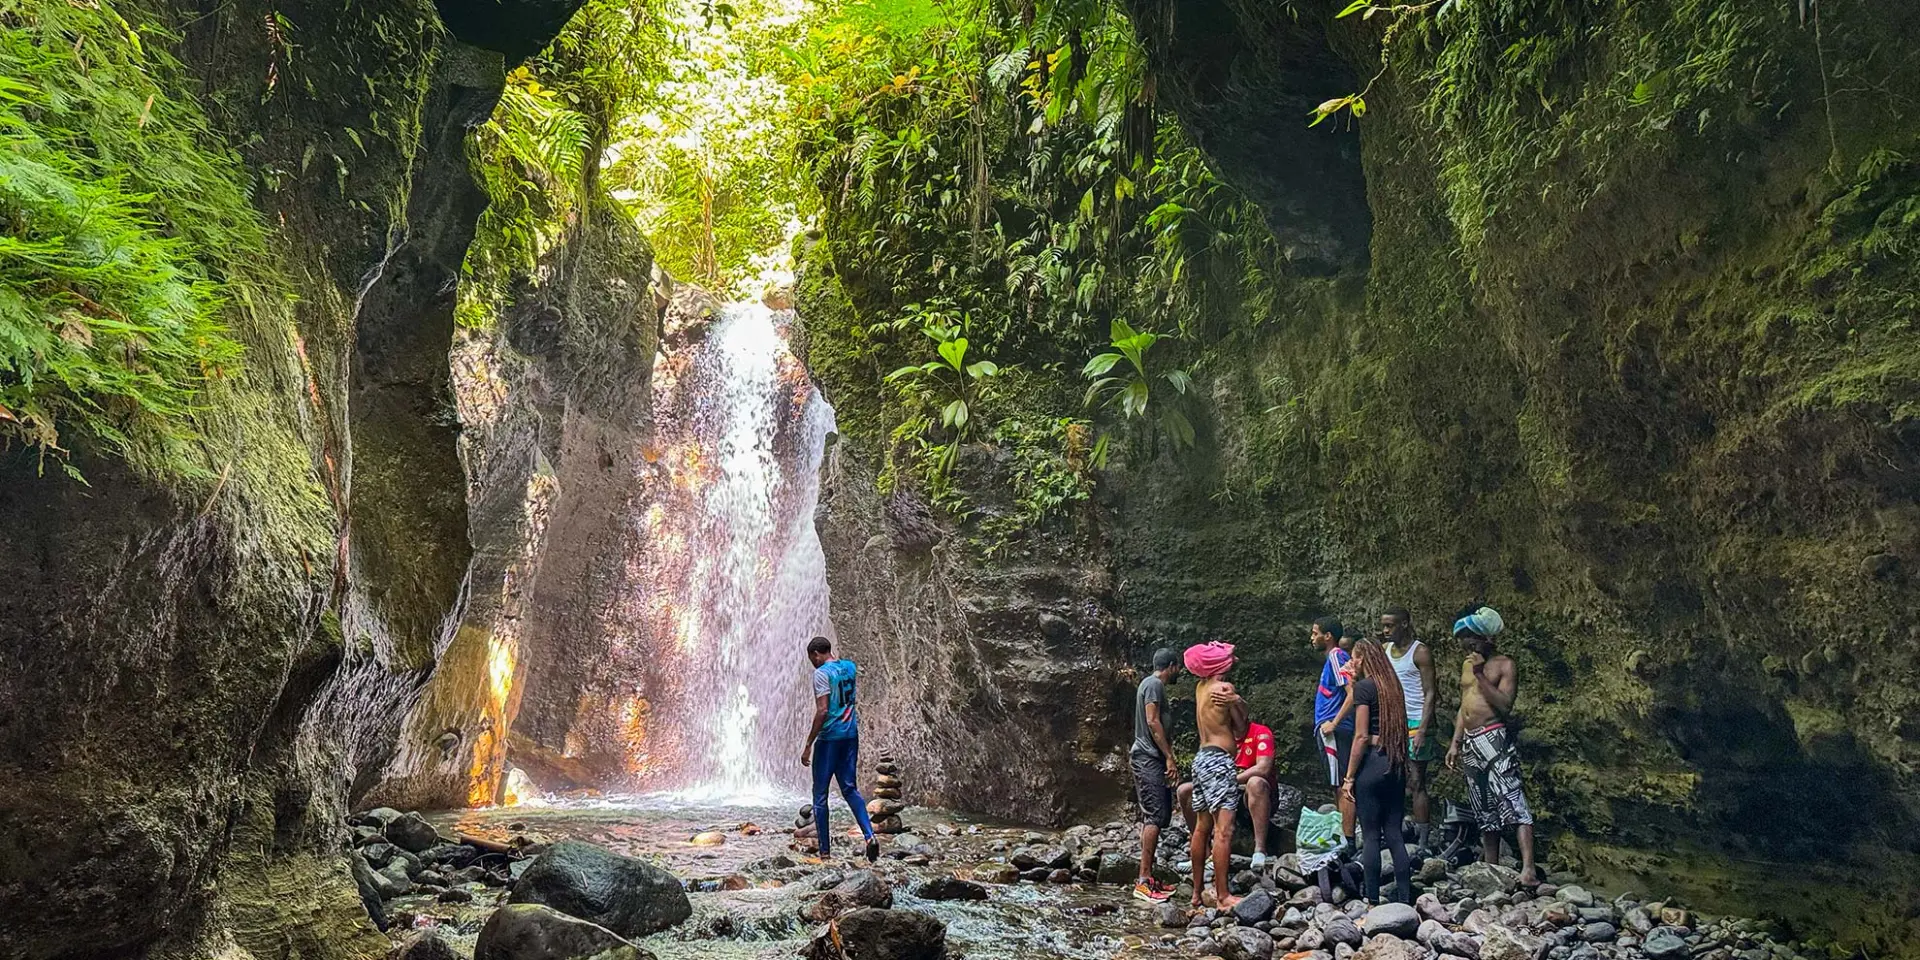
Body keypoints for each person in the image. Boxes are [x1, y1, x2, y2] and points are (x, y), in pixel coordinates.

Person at [1445, 606, 1537, 885]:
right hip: (1471, 741)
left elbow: (1505, 705)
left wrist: (1480, 674)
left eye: (1472, 637)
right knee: (1482, 804)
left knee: (1512, 799)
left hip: (1494, 737)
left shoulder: (1504, 665)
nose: (1466, 643)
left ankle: (1529, 868)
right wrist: (1455, 742)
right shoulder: (1465, 665)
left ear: (1487, 639)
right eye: (1463, 638)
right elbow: (1464, 707)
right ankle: (1491, 865)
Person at [1340, 640, 1413, 905]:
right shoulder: (1394, 688)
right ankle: (1405, 898)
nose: (1352, 663)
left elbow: (1360, 736)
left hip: (1371, 763)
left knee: (1370, 834)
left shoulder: (1365, 688)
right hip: (1394, 763)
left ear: (1362, 659)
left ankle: (1372, 899)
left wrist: (1349, 777)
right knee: (1393, 832)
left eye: (1354, 658)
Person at [800, 636, 879, 864]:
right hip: (850, 736)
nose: (813, 663)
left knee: (820, 795)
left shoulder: (821, 674)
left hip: (829, 739)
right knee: (849, 788)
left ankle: (825, 854)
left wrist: (808, 744)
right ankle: (869, 836)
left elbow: (823, 710)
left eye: (812, 659)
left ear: (816, 654)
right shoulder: (849, 667)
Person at [1184, 641, 1248, 909]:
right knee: (1224, 829)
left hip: (1200, 761)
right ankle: (1223, 895)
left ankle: (1197, 893)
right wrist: (1238, 701)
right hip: (1219, 761)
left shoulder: (1201, 688)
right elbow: (1242, 727)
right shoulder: (1225, 689)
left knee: (1201, 827)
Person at [1175, 719, 1277, 869]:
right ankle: (1205, 853)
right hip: (1223, 792)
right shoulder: (1218, 738)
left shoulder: (1260, 732)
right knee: (1184, 791)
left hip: (1252, 793)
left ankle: (1260, 851)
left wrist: (1230, 780)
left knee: (1256, 782)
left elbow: (1263, 768)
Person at [1379, 606, 1437, 852]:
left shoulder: (1420, 652)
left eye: (1390, 625)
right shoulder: (1385, 651)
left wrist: (1423, 729)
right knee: (1392, 778)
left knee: (1416, 780)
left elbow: (1430, 692)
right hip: (1394, 723)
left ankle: (1423, 840)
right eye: (1383, 625)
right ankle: (1395, 832)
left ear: (1404, 624)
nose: (1385, 630)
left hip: (1415, 722)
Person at [1130, 648, 1182, 903]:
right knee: (1154, 815)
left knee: (1159, 815)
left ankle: (1148, 877)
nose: (1179, 672)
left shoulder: (1150, 684)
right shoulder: (1153, 685)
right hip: (1147, 757)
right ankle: (1143, 881)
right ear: (1170, 666)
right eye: (1178, 667)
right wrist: (1169, 756)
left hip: (1152, 758)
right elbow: (1152, 721)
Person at [1309, 617, 1357, 855]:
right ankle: (1341, 835)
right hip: (1331, 728)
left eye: (1315, 633)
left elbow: (1352, 691)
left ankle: (1347, 841)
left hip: (1335, 730)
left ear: (1328, 636)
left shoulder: (1337, 656)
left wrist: (1334, 723)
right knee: (1336, 783)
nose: (1312, 637)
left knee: (1342, 784)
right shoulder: (1333, 658)